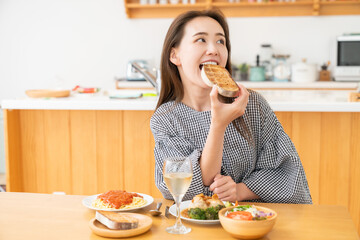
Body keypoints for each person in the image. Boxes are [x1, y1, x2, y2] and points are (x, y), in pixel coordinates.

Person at [150, 9, 312, 204]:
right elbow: (182, 188)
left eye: (221, 41)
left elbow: (288, 172)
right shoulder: (165, 119)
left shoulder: (251, 104)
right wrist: (219, 124)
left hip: (251, 223)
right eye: (201, 40)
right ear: (175, 55)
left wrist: (240, 190)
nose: (214, 49)